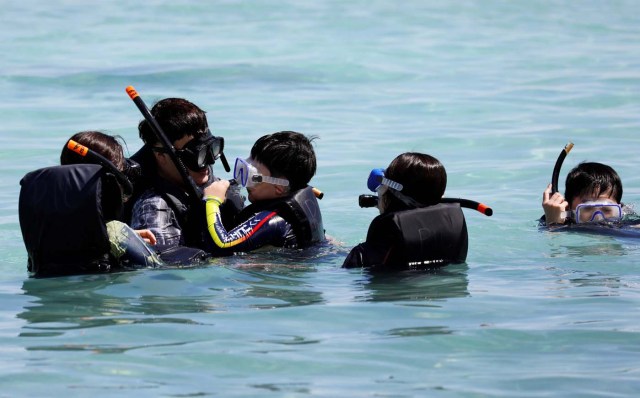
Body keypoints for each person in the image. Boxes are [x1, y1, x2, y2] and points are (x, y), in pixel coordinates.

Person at [19, 131, 162, 277]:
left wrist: (125, 238)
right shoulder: (116, 233)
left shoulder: (47, 232)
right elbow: (159, 272)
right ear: (111, 182)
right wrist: (124, 239)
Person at [129, 98, 244, 256]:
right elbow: (166, 269)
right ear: (161, 156)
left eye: (210, 149)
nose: (207, 162)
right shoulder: (154, 207)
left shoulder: (209, 184)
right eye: (196, 155)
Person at [202, 131, 325, 252]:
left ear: (279, 187)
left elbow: (221, 245)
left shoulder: (274, 221)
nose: (245, 180)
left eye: (252, 176)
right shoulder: (297, 202)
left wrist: (211, 201)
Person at [343, 152, 468, 271]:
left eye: (383, 188)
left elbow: (352, 268)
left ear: (391, 191)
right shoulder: (452, 221)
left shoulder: (387, 229)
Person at [541, 162, 623, 226]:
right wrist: (553, 223)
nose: (598, 218)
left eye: (607, 209)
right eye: (587, 208)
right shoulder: (557, 222)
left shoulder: (627, 225)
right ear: (568, 208)